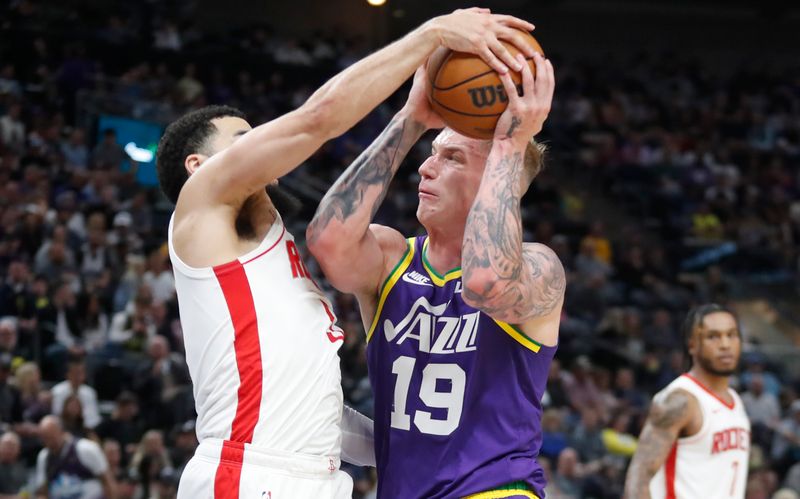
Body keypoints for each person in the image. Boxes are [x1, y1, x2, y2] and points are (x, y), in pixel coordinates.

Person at [154, 7, 538, 499]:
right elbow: (319, 119)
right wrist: (431, 36)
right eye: (245, 138)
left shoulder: (271, 256)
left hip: (317, 479)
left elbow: (316, 416)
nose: (263, 141)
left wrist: (433, 446)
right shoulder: (202, 201)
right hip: (251, 473)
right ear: (199, 165)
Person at [307, 48, 562, 497]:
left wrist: (509, 145)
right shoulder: (390, 257)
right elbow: (327, 240)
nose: (425, 167)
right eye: (432, 153)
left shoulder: (540, 268)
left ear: (496, 179)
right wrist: (410, 119)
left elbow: (486, 284)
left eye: (453, 158)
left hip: (495, 489)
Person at [623, 304, 751, 499]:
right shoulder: (680, 400)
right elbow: (638, 479)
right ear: (692, 345)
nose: (725, 344)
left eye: (732, 335)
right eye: (713, 336)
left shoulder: (735, 400)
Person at [34, 415, 116, 499]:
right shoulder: (44, 457)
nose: (49, 443)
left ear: (62, 431)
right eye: (45, 439)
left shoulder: (87, 449)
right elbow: (42, 492)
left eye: (52, 438)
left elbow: (108, 482)